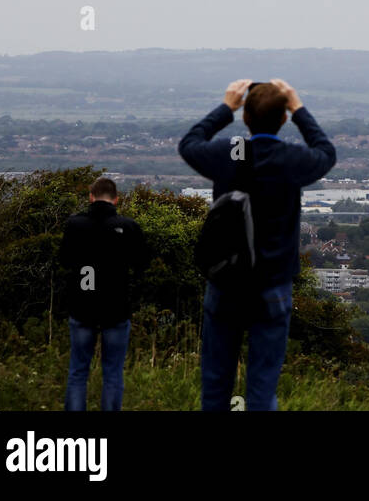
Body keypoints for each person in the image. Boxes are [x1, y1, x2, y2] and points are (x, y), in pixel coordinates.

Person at [178, 77, 336, 411]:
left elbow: (189, 144)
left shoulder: (229, 154)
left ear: (245, 118)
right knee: (263, 389)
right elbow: (325, 152)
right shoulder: (291, 159)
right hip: (273, 285)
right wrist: (298, 106)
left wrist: (225, 108)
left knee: (216, 386)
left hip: (227, 281)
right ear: (283, 119)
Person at [60, 175, 149, 411]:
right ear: (116, 200)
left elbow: (65, 261)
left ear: (91, 197)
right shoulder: (128, 227)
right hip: (116, 308)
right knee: (112, 372)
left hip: (81, 307)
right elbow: (142, 266)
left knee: (78, 371)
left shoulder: (74, 224)